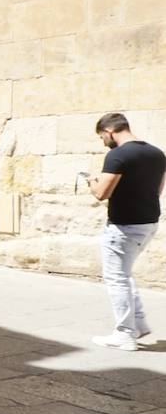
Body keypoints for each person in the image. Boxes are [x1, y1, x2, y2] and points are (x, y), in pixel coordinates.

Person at [87, 112, 165, 351]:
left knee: (117, 278)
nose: (103, 141)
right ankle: (138, 323)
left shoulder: (117, 155)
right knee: (124, 273)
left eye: (102, 136)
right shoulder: (157, 153)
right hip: (148, 224)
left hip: (123, 227)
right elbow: (158, 190)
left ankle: (125, 334)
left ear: (110, 131)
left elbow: (102, 193)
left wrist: (91, 181)